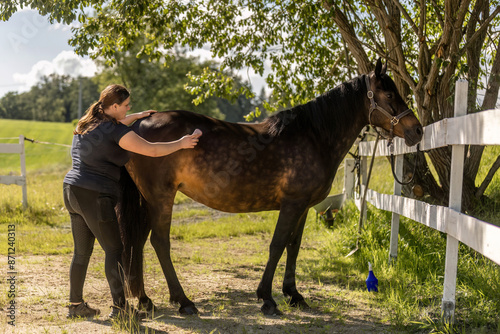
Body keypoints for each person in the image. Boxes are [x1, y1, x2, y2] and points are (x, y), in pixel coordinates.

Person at [63, 84, 202, 321]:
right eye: (126, 106)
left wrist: (136, 117)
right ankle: (120, 310)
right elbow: (152, 150)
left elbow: (112, 126)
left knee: (82, 252)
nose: (130, 109)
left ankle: (75, 306)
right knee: (115, 249)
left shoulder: (86, 123)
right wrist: (181, 143)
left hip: (71, 191)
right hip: (95, 196)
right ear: (114, 106)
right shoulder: (117, 132)